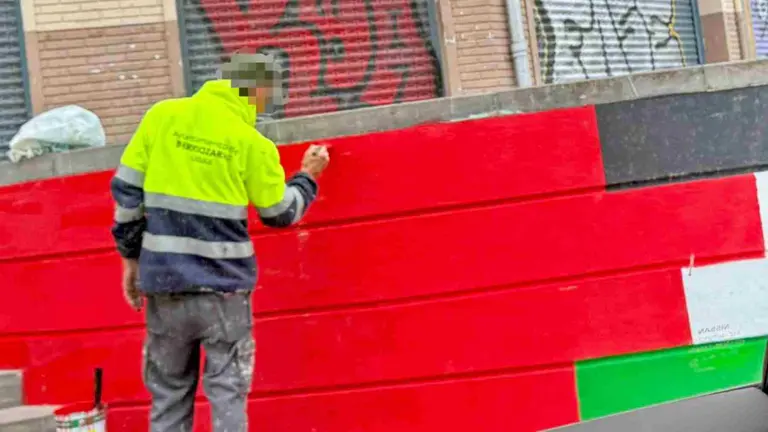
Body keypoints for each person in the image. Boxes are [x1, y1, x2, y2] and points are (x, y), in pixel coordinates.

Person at [109, 52, 330, 432]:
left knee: (168, 396)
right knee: (227, 393)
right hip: (224, 293)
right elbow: (280, 212)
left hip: (165, 286)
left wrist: (131, 258)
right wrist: (307, 176)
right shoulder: (251, 143)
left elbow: (127, 193)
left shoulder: (162, 117)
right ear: (255, 92)